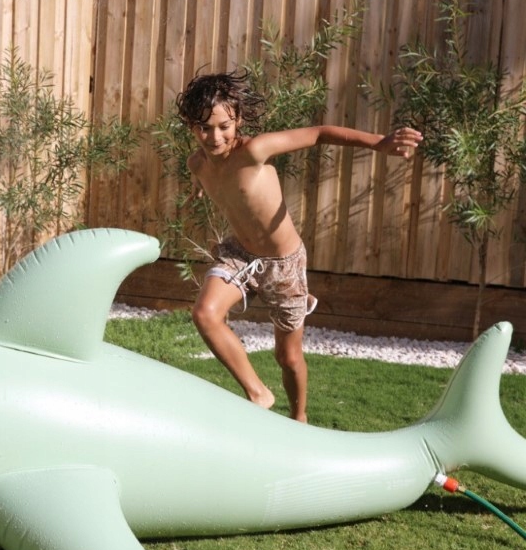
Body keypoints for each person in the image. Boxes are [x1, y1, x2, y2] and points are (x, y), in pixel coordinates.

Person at [177, 71, 423, 422]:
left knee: (288, 358)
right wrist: (197, 191)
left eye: (223, 127)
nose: (215, 137)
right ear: (191, 126)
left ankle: (299, 418)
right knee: (204, 314)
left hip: (284, 264)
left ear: (238, 120)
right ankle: (258, 393)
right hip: (240, 255)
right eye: (204, 128)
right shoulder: (197, 163)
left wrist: (378, 142)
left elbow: (319, 134)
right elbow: (203, 175)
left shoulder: (254, 151)